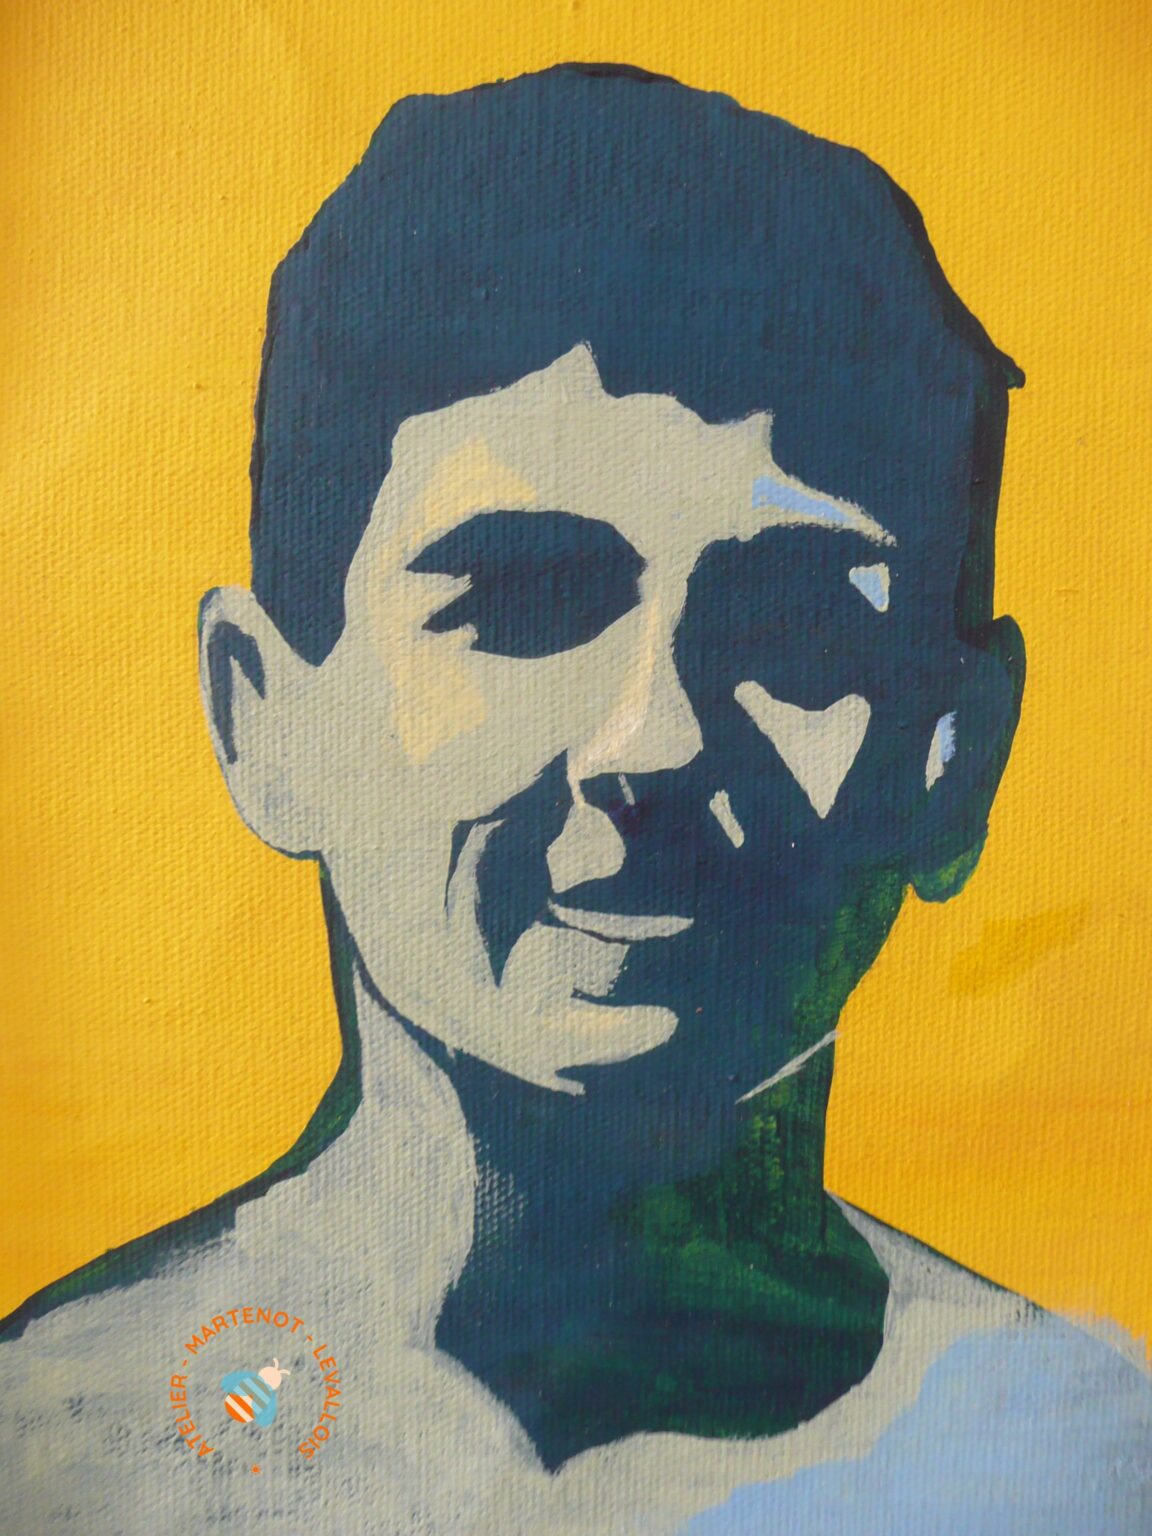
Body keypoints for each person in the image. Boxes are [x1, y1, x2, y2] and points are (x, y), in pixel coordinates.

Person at [2, 62, 1149, 1535]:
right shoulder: (53, 1445)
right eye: (520, 598)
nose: (650, 740)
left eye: (798, 622)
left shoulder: (1085, 1469)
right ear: (264, 715)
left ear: (956, 757)